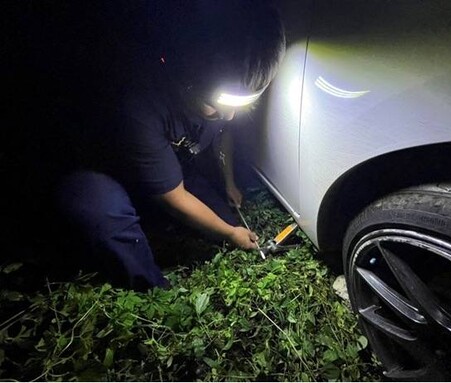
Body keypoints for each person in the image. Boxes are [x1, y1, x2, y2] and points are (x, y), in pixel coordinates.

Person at [52, 0, 286, 290]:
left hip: (169, 162)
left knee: (224, 220)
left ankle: (172, 226)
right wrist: (230, 234)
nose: (228, 115)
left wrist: (229, 183)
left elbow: (223, 133)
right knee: (104, 215)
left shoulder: (223, 85)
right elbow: (174, 198)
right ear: (187, 83)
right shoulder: (140, 102)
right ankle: (152, 290)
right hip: (107, 172)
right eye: (216, 106)